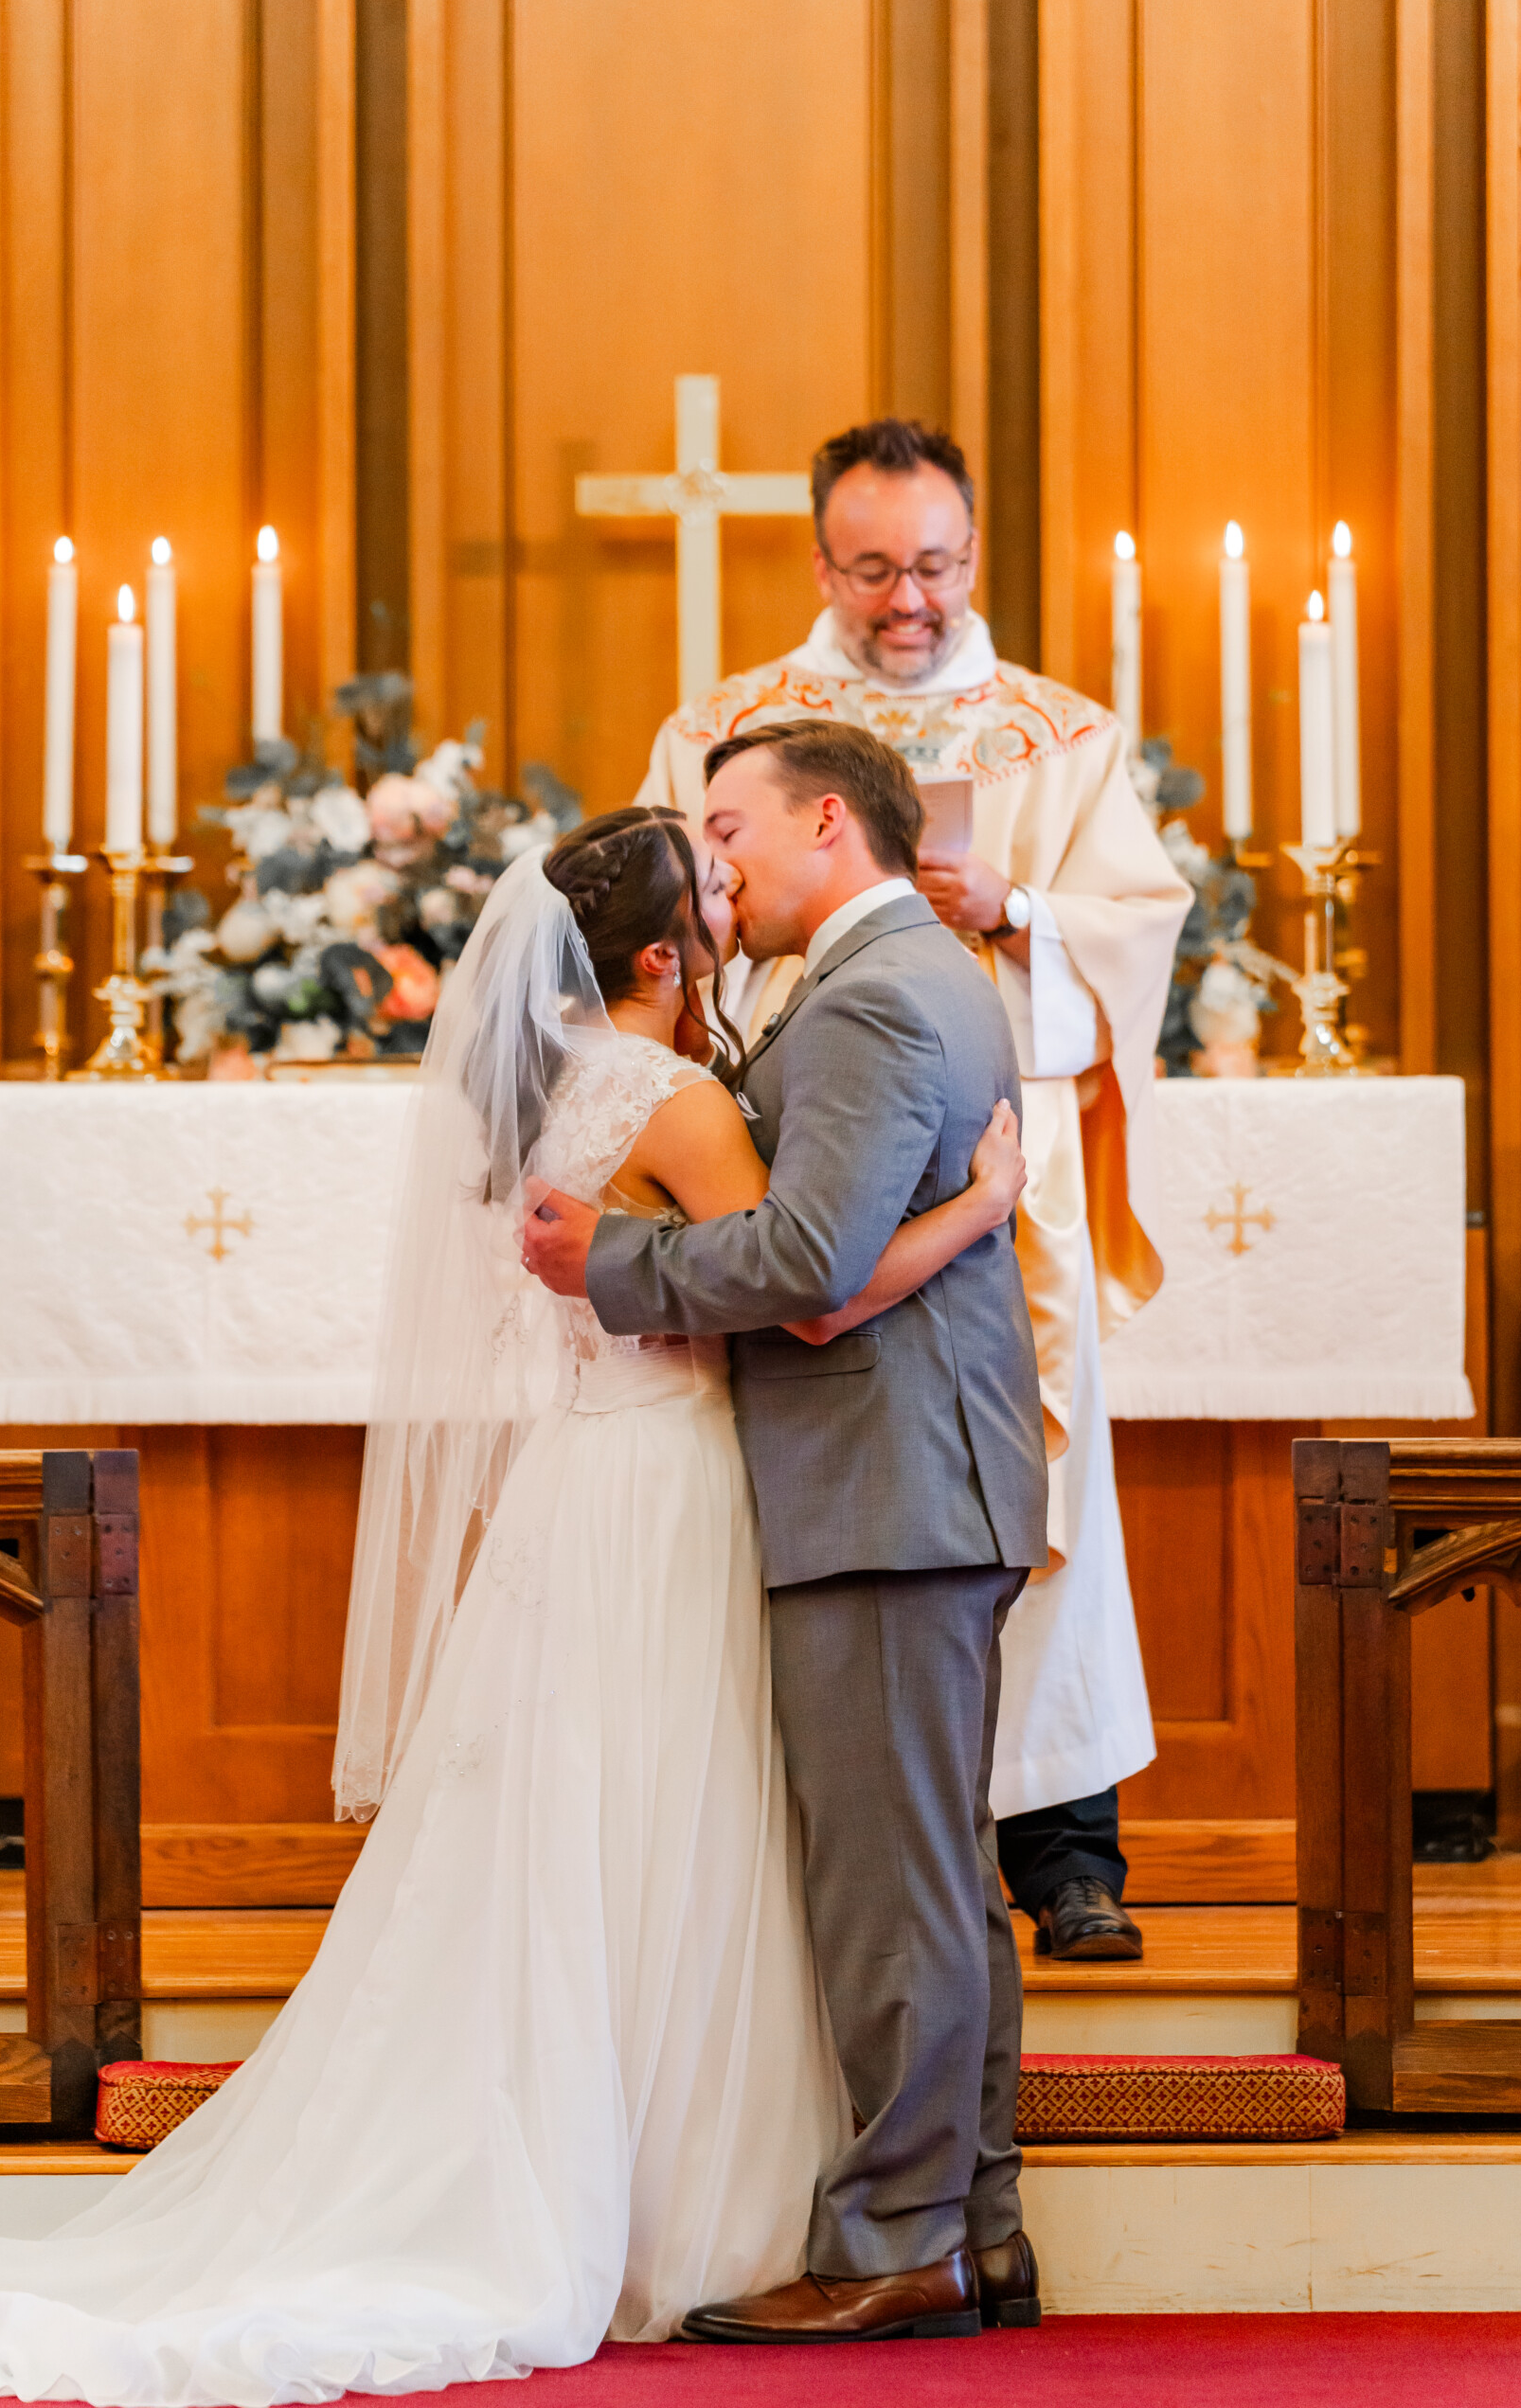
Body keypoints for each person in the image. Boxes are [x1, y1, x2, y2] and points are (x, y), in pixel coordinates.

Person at [0, 811, 1029, 2403]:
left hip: (581, 1486)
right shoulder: (680, 1099)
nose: (733, 888)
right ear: (662, 954)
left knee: (582, 1832)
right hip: (673, 1489)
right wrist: (979, 1208)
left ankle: (643, 2168)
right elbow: (805, 1291)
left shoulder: (562, 1089)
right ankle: (692, 2199)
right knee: (678, 1821)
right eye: (709, 880)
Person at [524, 722, 1049, 2343]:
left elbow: (812, 1271)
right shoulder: (894, 976)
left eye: (731, 826)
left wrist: (609, 1266)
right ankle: (973, 2227)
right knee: (930, 1875)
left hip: (886, 1484)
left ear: (829, 820)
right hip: (902, 1481)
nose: (719, 862)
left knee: (892, 1890)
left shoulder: (878, 993)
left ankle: (898, 2240)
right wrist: (977, 1207)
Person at [640, 419, 1191, 1962]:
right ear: (822, 564)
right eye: (874, 569)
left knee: (1038, 1489)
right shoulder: (724, 732)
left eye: (935, 567)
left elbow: (1140, 930)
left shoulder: (1059, 736)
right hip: (795, 1144)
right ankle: (831, 1845)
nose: (908, 601)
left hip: (1007, 1163)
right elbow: (663, 936)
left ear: (972, 556)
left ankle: (1063, 1846)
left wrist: (1017, 910)